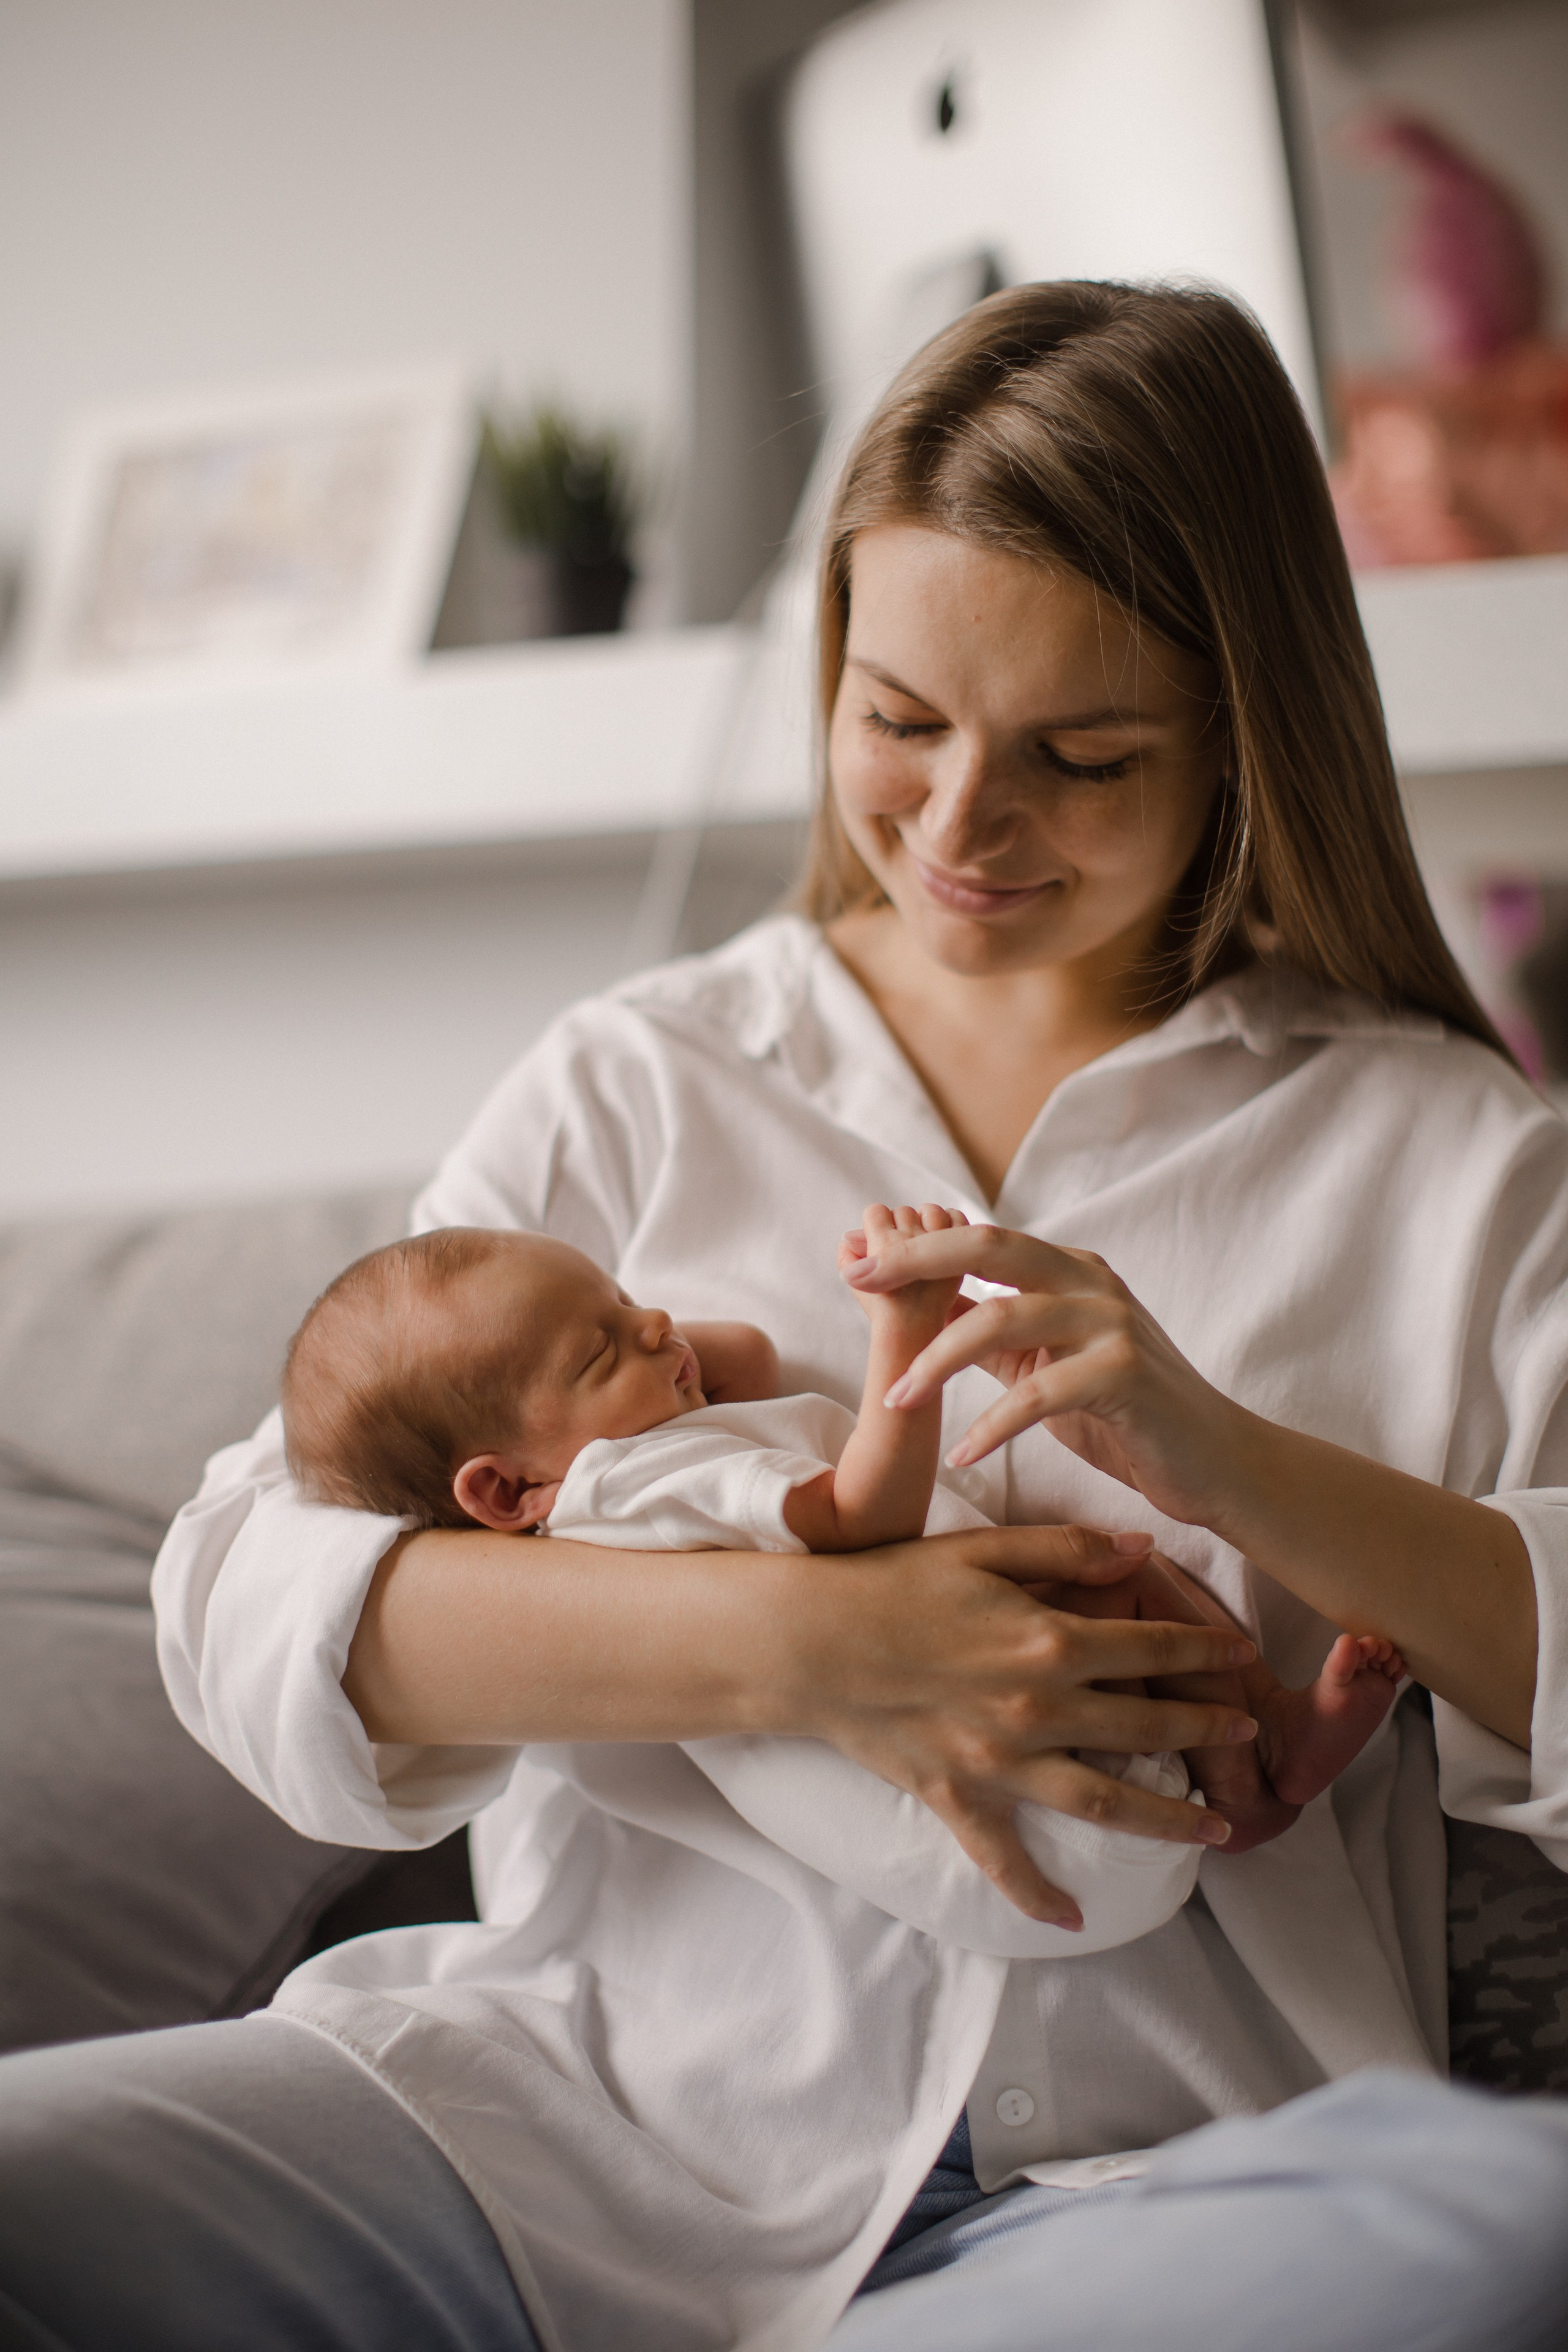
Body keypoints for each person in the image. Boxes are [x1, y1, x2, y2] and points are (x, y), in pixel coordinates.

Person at [3, 279, 1568, 2352]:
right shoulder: (639, 1078)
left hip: (1157, 2187)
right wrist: (821, 1649)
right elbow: (252, 1589)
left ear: (1244, 732)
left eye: (1080, 755)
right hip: (547, 2147)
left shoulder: (1454, 1158)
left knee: (1495, 2223)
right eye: (899, 722)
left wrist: (1237, 1463)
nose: (957, 828)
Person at [280, 1215, 1406, 1861]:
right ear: (505, 1491)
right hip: (978, 1695)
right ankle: (1257, 1775)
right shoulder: (642, 1487)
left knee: (1128, 1589)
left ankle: (1269, 1745)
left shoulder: (612, 1465)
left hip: (962, 1671)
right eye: (600, 1351)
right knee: (1124, 1578)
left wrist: (635, 1344)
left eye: (631, 1299)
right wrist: (899, 1339)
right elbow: (859, 1517)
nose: (660, 1325)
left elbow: (755, 1369)